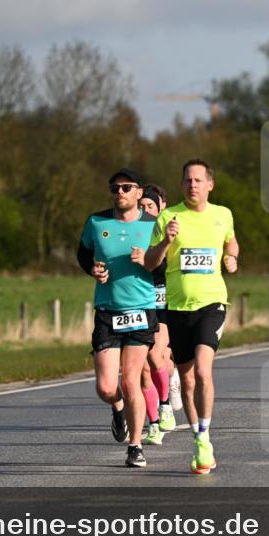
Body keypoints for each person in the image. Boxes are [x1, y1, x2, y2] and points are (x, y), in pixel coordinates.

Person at [145, 159, 238, 475]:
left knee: (202, 370)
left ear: (210, 184)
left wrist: (231, 256)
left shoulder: (222, 214)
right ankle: (198, 438)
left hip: (212, 303)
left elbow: (231, 241)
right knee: (185, 377)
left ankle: (205, 438)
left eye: (198, 180)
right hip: (176, 308)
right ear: (182, 184)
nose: (192, 185)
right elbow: (149, 261)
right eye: (187, 180)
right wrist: (167, 241)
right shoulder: (168, 217)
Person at [77, 168, 158, 467]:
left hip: (140, 309)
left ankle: (135, 446)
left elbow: (164, 266)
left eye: (126, 188)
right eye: (115, 188)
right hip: (107, 310)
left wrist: (147, 261)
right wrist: (93, 270)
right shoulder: (97, 222)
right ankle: (118, 407)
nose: (120, 193)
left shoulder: (153, 224)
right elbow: (84, 253)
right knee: (107, 387)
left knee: (133, 379)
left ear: (139, 192)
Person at [137, 186, 178, 435]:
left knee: (155, 356)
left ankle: (165, 404)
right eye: (140, 207)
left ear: (161, 207)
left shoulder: (169, 231)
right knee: (142, 370)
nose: (144, 212)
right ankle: (153, 424)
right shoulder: (132, 233)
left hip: (165, 306)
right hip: (140, 303)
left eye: (149, 206)